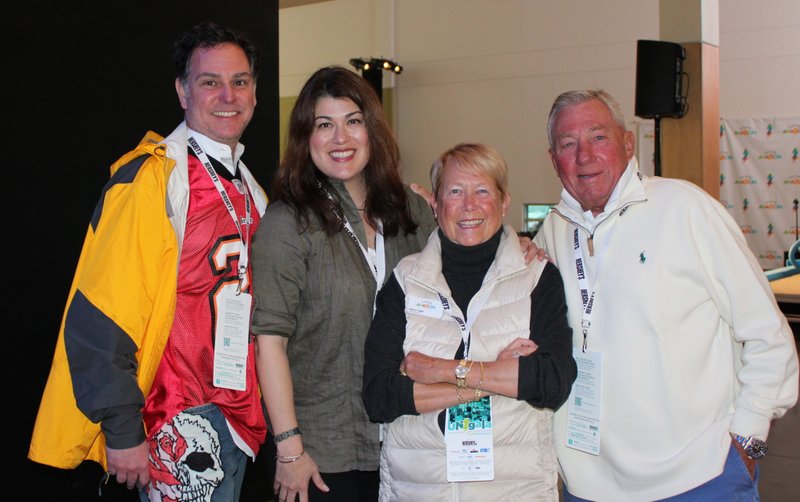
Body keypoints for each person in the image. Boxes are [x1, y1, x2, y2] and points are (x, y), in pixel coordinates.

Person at [29, 21, 269, 501]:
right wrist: (123, 426)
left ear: (255, 93)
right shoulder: (153, 178)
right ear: (182, 91)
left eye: (239, 81)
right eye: (209, 82)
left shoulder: (249, 187)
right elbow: (101, 312)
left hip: (237, 413)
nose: (228, 94)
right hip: (176, 416)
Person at [533, 89, 799, 500]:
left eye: (598, 137)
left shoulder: (686, 209)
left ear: (626, 142)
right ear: (553, 160)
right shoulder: (550, 234)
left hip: (702, 477)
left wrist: (749, 438)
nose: (584, 155)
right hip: (587, 485)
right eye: (568, 144)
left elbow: (767, 334)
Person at [249, 65, 437, 502]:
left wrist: (518, 249)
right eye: (324, 125)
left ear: (372, 129)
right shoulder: (288, 223)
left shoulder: (412, 212)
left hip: (407, 439)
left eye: (353, 121)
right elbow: (270, 341)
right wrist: (290, 448)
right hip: (323, 452)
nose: (341, 139)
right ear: (305, 138)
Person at [362, 142, 577, 501]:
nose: (469, 205)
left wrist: (439, 369)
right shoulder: (405, 281)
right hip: (419, 491)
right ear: (435, 203)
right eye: (455, 191)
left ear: (504, 201)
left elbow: (553, 382)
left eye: (482, 191)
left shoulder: (536, 277)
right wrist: (497, 376)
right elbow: (379, 395)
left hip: (514, 491)